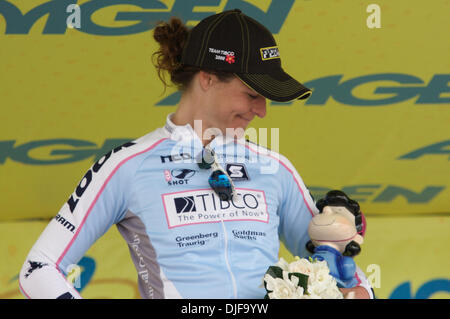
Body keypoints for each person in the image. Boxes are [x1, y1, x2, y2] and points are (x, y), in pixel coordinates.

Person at [19, 9, 373, 299]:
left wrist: (355, 293)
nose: (262, 111)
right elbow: (39, 269)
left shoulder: (276, 168)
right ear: (207, 78)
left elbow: (346, 274)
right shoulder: (126, 166)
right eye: (252, 94)